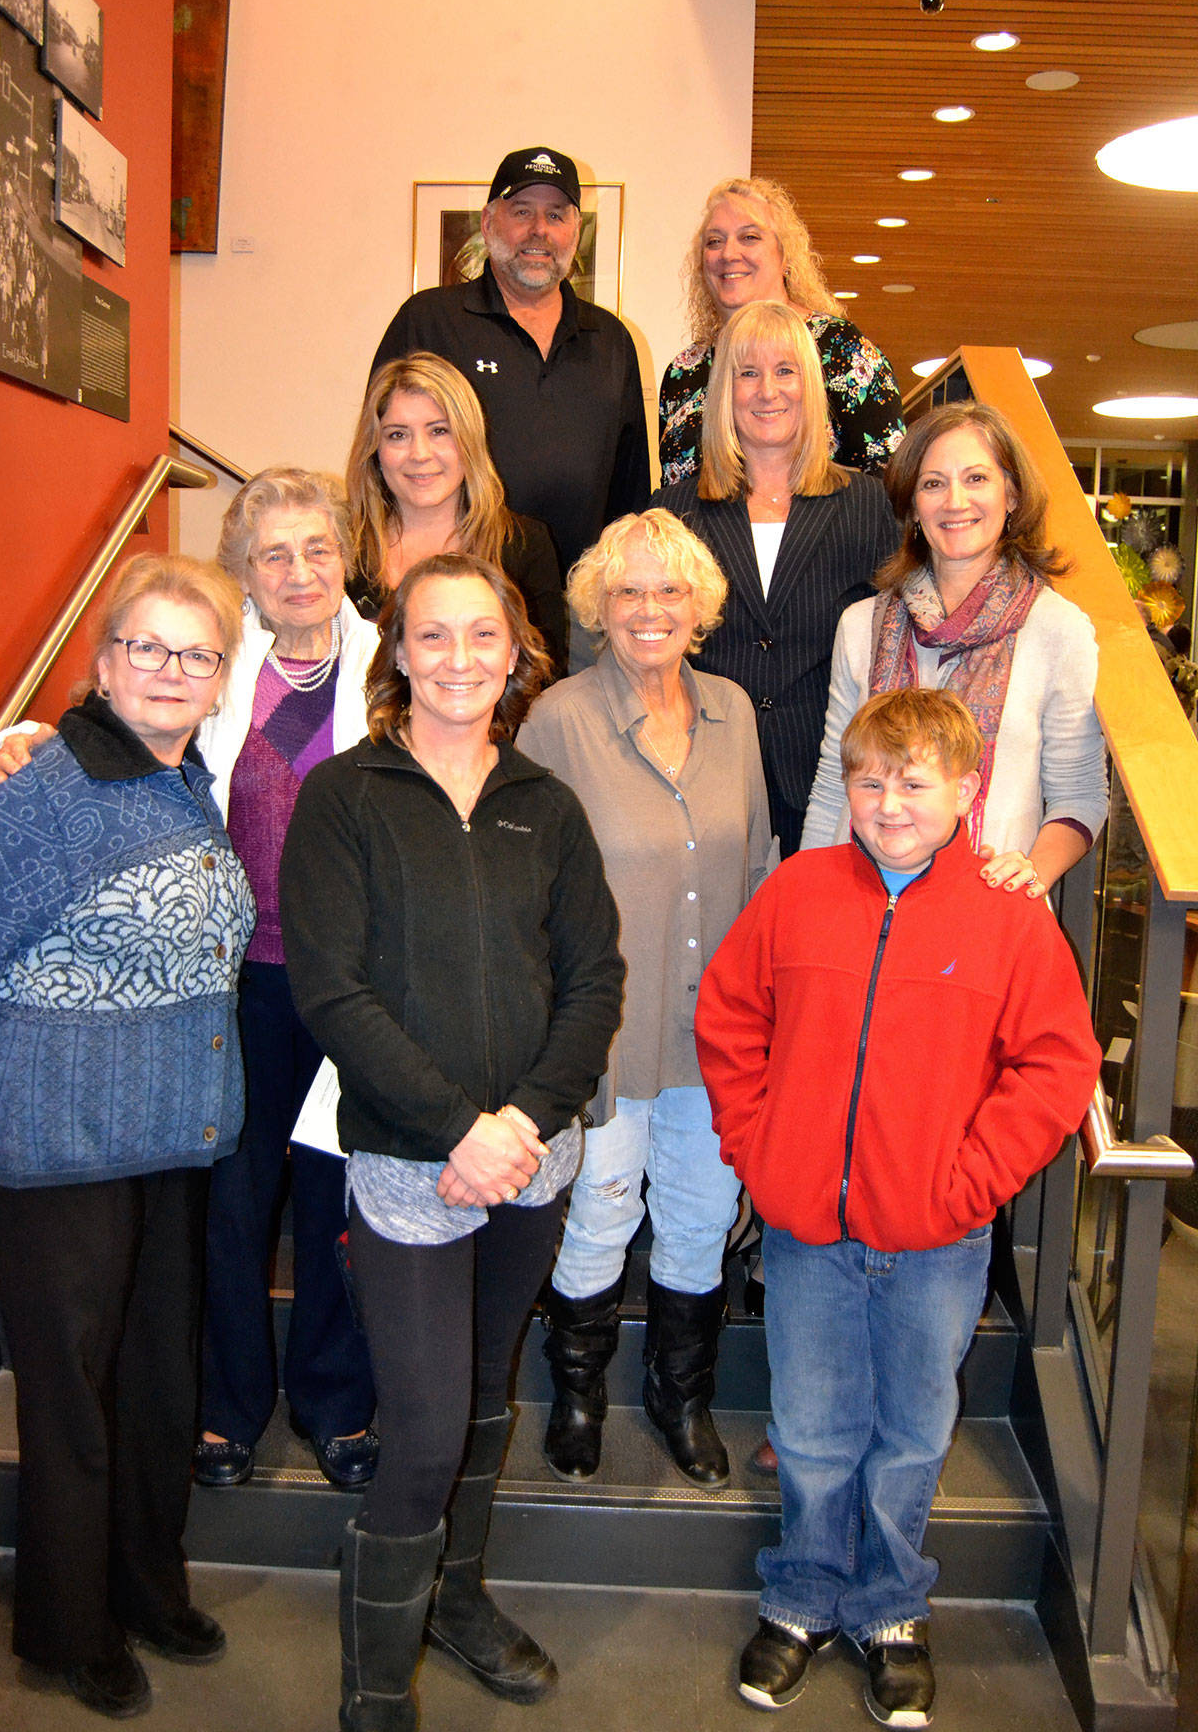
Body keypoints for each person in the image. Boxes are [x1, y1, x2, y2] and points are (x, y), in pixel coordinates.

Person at [0, 470, 383, 1496]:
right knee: (233, 1205)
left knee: (340, 1197)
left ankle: (335, 1402)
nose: (297, 571)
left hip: (351, 984)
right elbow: (94, 727)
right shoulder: (207, 662)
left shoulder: (389, 670)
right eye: (272, 553)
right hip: (225, 986)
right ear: (244, 571)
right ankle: (228, 1406)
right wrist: (10, 748)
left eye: (316, 549)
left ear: (346, 559)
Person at [696, 689, 1100, 1726]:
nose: (885, 801)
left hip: (935, 1237)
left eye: (911, 781)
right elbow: (730, 1018)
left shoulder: (1008, 918)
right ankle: (800, 1598)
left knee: (912, 1433)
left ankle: (890, 1612)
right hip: (804, 1229)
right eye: (868, 779)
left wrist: (965, 1183)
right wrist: (759, 1147)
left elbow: (1054, 1068)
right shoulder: (796, 892)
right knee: (813, 1424)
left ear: (961, 791)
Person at [279, 552, 624, 1732]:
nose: (460, 659)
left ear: (516, 654)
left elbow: (592, 981)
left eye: (483, 636)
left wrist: (520, 1122)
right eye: (434, 637)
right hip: (406, 1161)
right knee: (423, 1429)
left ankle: (456, 1599)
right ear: (399, 655)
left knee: (485, 1393)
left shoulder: (545, 804)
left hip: (532, 1157)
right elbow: (330, 991)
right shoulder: (346, 796)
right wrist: (457, 1128)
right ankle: (376, 1688)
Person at [0, 555, 256, 1720]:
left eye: (195, 654)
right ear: (104, 663)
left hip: (169, 1132)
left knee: (160, 1379)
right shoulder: (44, 793)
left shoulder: (185, 778)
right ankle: (66, 1626)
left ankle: (148, 1583)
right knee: (71, 1392)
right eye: (146, 648)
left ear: (220, 680)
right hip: (56, 1140)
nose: (170, 671)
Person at [516, 509, 772, 1490]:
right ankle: (579, 1398)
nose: (649, 609)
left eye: (669, 590)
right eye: (627, 592)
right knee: (602, 1210)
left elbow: (752, 867)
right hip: (606, 1027)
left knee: (702, 1214)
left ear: (698, 606)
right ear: (597, 607)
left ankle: (681, 1396)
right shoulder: (556, 719)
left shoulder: (735, 714)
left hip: (713, 1025)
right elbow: (522, 883)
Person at [802, 401, 1108, 895]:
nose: (955, 501)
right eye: (933, 483)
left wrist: (1032, 871)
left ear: (1011, 494)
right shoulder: (860, 626)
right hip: (859, 905)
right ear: (912, 505)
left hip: (990, 912)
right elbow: (834, 783)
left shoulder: (1058, 629)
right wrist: (808, 891)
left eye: (977, 478)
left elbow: (1081, 795)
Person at [655, 300, 899, 856]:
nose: (768, 391)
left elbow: (893, 649)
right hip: (701, 778)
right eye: (748, 373)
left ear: (810, 386)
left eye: (785, 371)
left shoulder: (866, 504)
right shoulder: (673, 511)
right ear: (724, 391)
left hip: (829, 782)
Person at [369, 145, 650, 575]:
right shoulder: (429, 321)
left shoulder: (611, 340)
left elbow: (630, 491)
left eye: (556, 215)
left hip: (585, 605)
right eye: (521, 212)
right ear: (487, 222)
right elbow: (379, 459)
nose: (540, 230)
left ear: (575, 230)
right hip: (459, 593)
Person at [659, 176, 904, 489]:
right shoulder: (684, 372)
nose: (728, 253)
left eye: (749, 237)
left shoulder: (841, 350)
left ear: (785, 256)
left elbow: (892, 485)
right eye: (714, 241)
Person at [345, 349, 568, 674]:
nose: (419, 453)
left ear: (469, 438)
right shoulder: (343, 553)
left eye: (439, 431)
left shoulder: (523, 546)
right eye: (397, 435)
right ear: (374, 450)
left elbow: (544, 680)